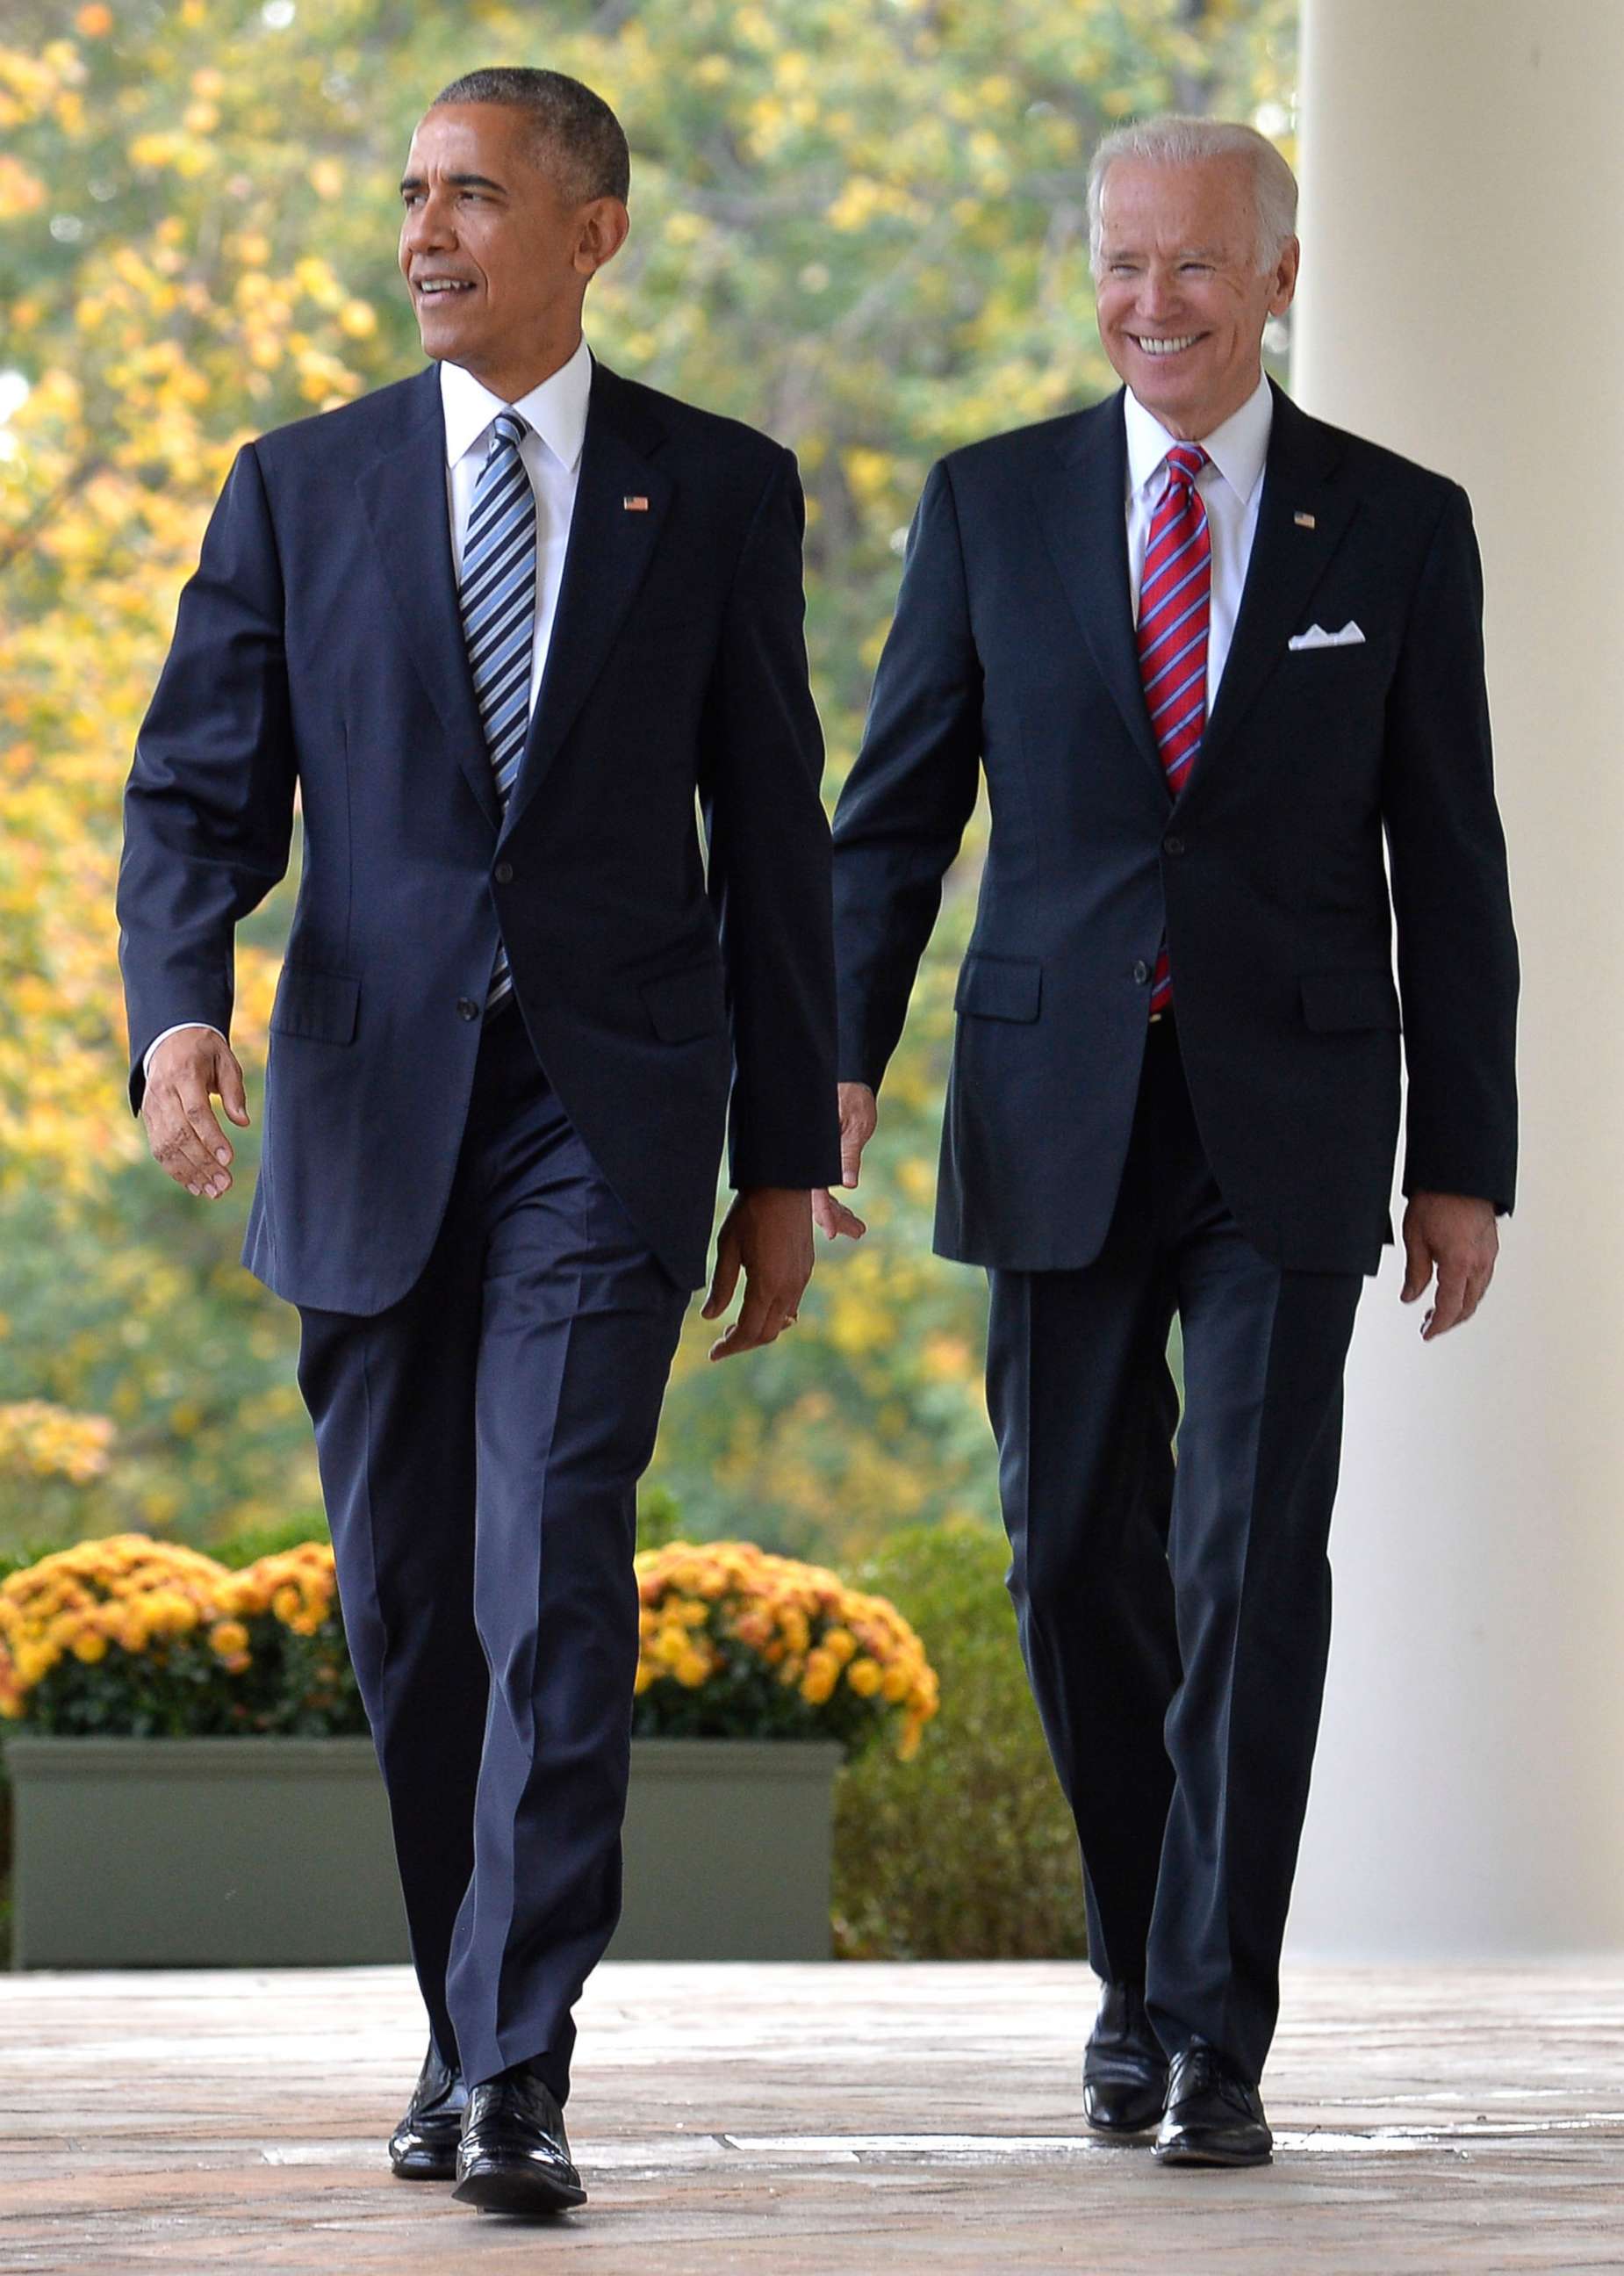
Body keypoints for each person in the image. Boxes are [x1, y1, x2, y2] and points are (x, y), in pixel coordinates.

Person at [119, 67, 839, 2218]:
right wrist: (176, 1012)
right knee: (418, 1610)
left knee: (554, 1584)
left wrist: (785, 1159)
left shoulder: (717, 490)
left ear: (591, 231)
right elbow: (193, 794)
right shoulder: (300, 486)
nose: (427, 235)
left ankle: (521, 2069)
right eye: (411, 196)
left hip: (605, 1120)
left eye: (475, 198)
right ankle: (456, 2020)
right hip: (361, 1111)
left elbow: (773, 837)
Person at [817, 115, 1518, 2169]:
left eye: (1194, 268)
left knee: (1244, 1567)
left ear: (1277, 275)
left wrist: (1462, 1154)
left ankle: (1214, 2034)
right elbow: (892, 823)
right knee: (1065, 1566)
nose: (1151, 305)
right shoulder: (990, 504)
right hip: (1051, 1106)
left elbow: (1449, 865)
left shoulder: (1395, 524)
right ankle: (1135, 1972)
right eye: (1119, 266)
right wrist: (825, 1069)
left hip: (1292, 1119)